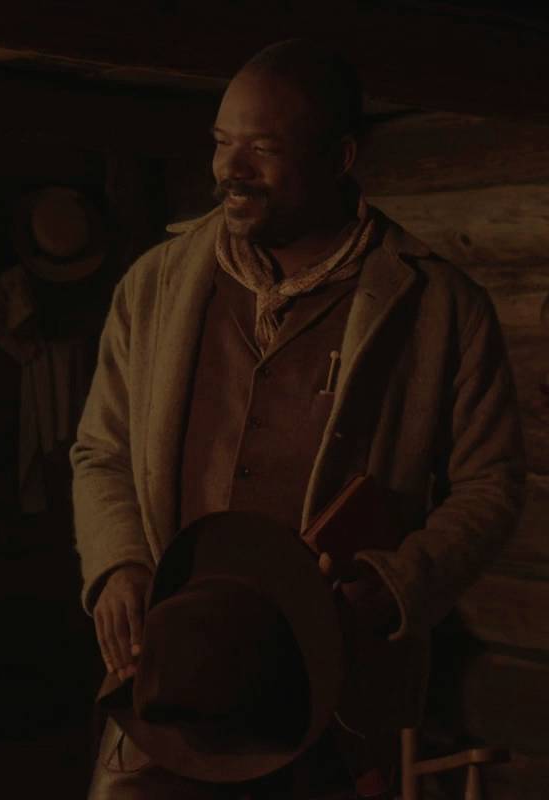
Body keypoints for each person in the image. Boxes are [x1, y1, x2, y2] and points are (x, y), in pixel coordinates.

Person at [73, 39, 525, 798]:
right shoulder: (155, 285)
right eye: (222, 143)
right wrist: (118, 563)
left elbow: (491, 486)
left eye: (262, 148)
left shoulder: (440, 307)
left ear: (340, 156)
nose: (231, 169)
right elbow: (102, 450)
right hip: (171, 686)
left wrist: (395, 582)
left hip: (331, 708)